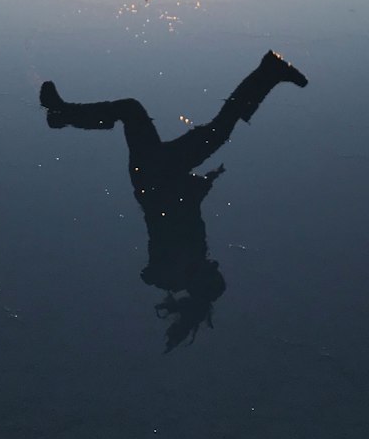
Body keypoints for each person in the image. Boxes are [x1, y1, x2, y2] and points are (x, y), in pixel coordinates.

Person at [39, 50, 309, 350]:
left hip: (156, 176)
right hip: (160, 174)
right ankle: (62, 115)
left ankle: (269, 71)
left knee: (203, 126)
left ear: (201, 280)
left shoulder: (177, 266)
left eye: (214, 271)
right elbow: (186, 210)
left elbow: (165, 236)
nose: (215, 263)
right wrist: (204, 183)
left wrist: (168, 274)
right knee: (143, 113)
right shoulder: (191, 257)